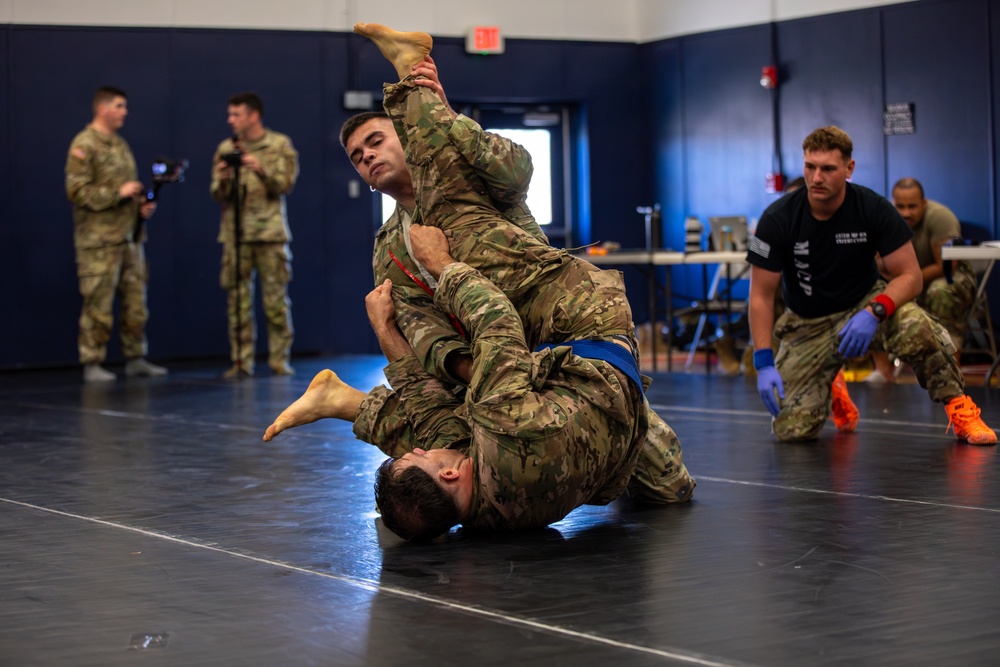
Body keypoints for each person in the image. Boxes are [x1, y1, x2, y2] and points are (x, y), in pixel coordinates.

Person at [337, 25, 693, 500]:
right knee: (458, 443)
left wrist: (445, 119)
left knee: (668, 488)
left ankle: (409, 81)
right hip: (499, 360)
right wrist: (473, 370)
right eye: (358, 158)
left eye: (376, 142)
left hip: (556, 320)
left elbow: (517, 169)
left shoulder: (458, 166)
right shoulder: (389, 249)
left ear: (406, 135)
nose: (369, 158)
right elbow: (422, 327)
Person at [747, 126, 996, 445]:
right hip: (808, 322)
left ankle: (959, 408)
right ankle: (831, 380)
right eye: (810, 167)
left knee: (916, 325)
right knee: (790, 431)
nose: (816, 178)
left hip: (864, 306)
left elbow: (911, 276)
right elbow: (760, 296)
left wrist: (876, 311)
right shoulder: (777, 217)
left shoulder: (873, 208)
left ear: (849, 169)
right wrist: (763, 361)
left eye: (828, 169)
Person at [65, 85, 167, 383]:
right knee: (97, 302)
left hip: (129, 238)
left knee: (136, 302)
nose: (125, 112)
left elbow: (127, 192)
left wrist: (140, 205)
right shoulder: (84, 144)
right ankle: (92, 362)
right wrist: (117, 193)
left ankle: (135, 357)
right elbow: (76, 190)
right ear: (102, 109)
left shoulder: (120, 144)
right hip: (98, 242)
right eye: (119, 106)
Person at [210, 92, 299, 378]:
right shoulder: (226, 148)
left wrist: (260, 168)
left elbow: (284, 184)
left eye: (236, 114)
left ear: (253, 116)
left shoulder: (279, 144)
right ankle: (241, 361)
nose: (230, 120)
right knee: (237, 302)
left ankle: (279, 360)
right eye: (229, 114)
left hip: (270, 235)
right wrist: (223, 180)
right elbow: (216, 194)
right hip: (235, 235)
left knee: (275, 302)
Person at [867, 178, 976, 383]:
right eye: (900, 206)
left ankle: (950, 374)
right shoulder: (884, 219)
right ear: (893, 203)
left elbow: (946, 266)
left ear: (924, 204)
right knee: (872, 293)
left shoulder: (940, 217)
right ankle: (883, 371)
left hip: (947, 278)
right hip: (907, 282)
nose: (906, 213)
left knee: (941, 291)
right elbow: (877, 263)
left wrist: (908, 281)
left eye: (912, 206)